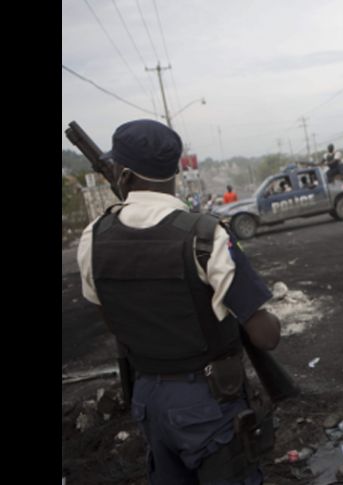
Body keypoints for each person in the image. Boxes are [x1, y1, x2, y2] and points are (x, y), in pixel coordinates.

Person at [76, 119, 281, 485]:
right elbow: (266, 336)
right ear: (175, 171)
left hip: (148, 399)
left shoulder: (93, 237)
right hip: (208, 403)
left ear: (122, 175)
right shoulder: (205, 236)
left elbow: (112, 318)